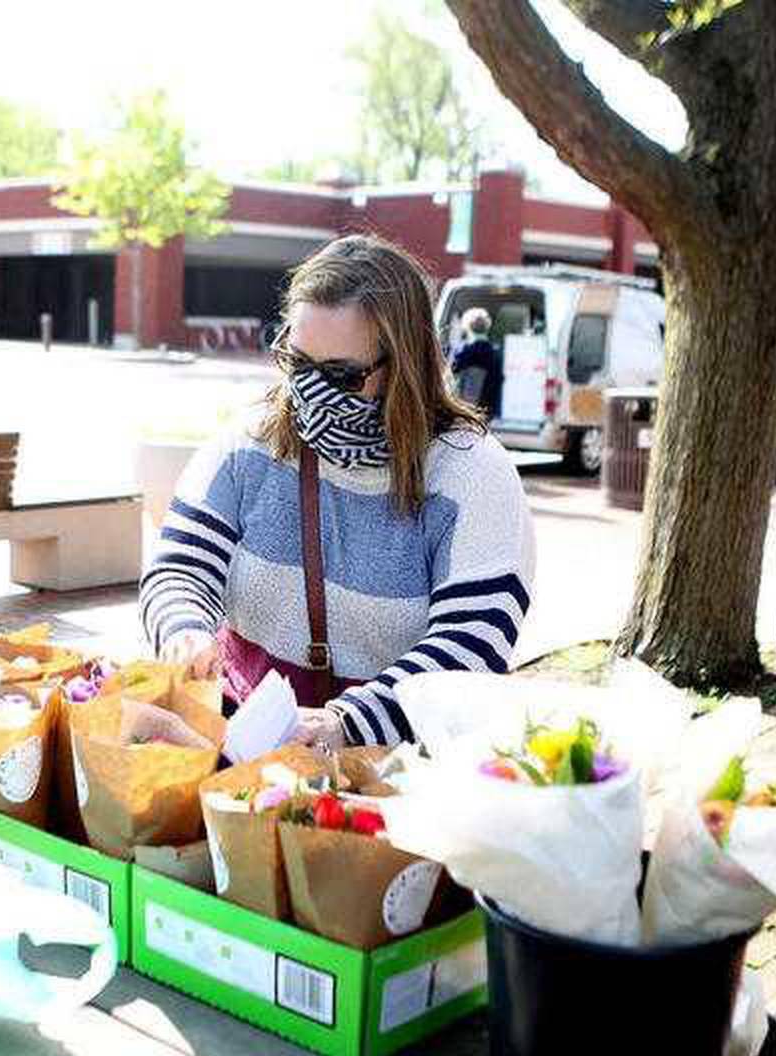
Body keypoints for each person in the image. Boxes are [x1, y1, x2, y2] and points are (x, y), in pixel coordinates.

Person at [139, 234, 536, 749]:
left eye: (341, 375)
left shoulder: (471, 472)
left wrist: (346, 724)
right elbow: (179, 568)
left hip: (394, 761)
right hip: (243, 741)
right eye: (297, 361)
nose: (310, 389)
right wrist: (183, 629)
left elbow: (472, 640)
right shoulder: (247, 445)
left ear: (404, 364)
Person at [449, 307, 499, 413]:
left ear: (467, 327)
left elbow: (451, 372)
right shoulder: (493, 353)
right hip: (487, 406)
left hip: (465, 407)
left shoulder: (464, 351)